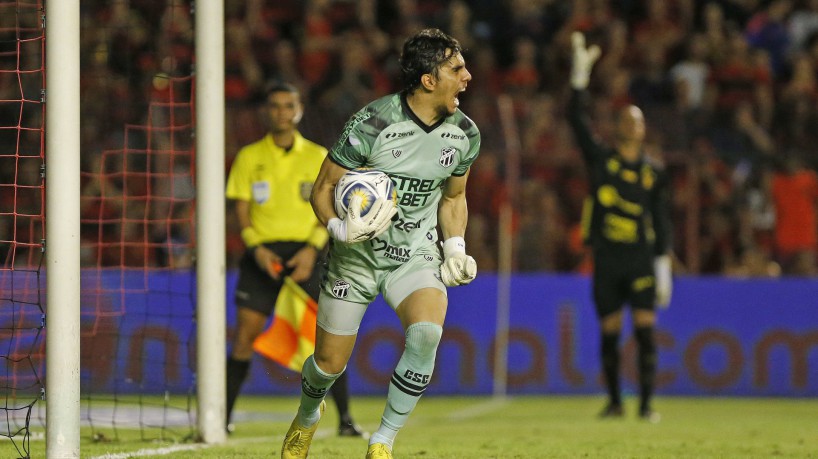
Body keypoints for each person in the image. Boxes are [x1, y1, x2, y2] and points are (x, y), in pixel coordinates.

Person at [280, 28, 480, 459]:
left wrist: (456, 247)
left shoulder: (465, 133)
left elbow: (455, 197)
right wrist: (338, 230)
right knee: (328, 366)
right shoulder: (373, 123)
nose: (467, 77)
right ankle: (308, 415)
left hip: (415, 254)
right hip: (356, 259)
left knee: (427, 333)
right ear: (428, 80)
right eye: (456, 69)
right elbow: (323, 189)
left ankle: (383, 440)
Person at [225, 81, 365, 437]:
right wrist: (256, 248)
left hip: (309, 254)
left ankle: (346, 420)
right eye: (274, 106)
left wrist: (312, 248)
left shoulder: (318, 155)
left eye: (288, 106)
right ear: (266, 112)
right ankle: (221, 417)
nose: (281, 112)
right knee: (245, 335)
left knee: (328, 338)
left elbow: (332, 206)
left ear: (299, 110)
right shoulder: (248, 157)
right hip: (262, 254)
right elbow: (241, 211)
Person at [567, 32, 673, 422]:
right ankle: (614, 401)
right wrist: (579, 81)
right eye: (627, 118)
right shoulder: (602, 162)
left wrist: (662, 264)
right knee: (610, 332)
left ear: (644, 129)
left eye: (638, 119)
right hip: (607, 260)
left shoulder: (654, 173)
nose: (633, 124)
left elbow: (661, 220)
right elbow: (576, 122)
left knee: (645, 331)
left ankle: (646, 405)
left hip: (640, 260)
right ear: (618, 127)